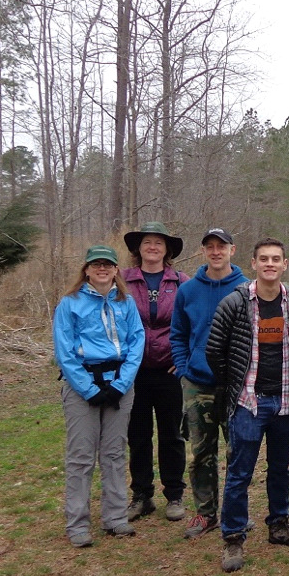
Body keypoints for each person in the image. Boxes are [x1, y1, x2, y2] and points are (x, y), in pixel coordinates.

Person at [206, 238, 289, 572]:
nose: (269, 264)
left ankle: (278, 525)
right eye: (263, 258)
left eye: (275, 259)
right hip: (248, 402)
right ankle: (233, 538)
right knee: (239, 472)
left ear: (285, 264)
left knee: (281, 468)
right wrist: (234, 385)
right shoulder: (235, 303)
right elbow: (215, 350)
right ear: (253, 263)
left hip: (285, 400)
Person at [53, 245, 145, 547]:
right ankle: (78, 523)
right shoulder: (70, 303)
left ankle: (115, 517)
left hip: (119, 384)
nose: (102, 269)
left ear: (116, 270)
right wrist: (89, 390)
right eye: (96, 265)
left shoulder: (126, 302)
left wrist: (121, 384)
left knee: (115, 452)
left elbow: (136, 342)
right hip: (83, 387)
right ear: (87, 269)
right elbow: (64, 352)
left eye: (108, 264)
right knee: (80, 457)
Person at [171, 228, 248, 539]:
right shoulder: (188, 291)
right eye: (210, 247)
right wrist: (183, 369)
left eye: (222, 246)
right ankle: (205, 513)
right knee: (201, 453)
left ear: (233, 249)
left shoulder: (245, 288)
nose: (216, 252)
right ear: (203, 251)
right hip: (197, 384)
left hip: (236, 384)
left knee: (238, 451)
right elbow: (177, 333)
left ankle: (235, 512)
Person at [121, 222, 189, 523]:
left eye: (158, 243)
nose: (152, 247)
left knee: (172, 434)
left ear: (167, 250)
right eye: (147, 242)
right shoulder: (122, 280)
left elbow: (193, 322)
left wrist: (182, 356)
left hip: (169, 370)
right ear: (138, 248)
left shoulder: (181, 282)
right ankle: (141, 495)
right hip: (133, 370)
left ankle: (174, 494)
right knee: (138, 434)